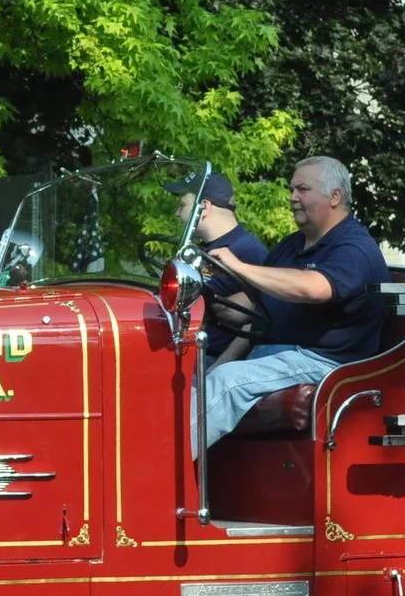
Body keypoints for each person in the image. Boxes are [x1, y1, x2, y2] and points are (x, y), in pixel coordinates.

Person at [194, 156, 391, 453]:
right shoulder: (292, 244)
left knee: (226, 383)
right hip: (275, 353)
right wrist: (202, 305)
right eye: (292, 189)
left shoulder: (355, 247)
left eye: (302, 189)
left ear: (335, 196)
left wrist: (238, 266)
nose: (292, 197)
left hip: (325, 362)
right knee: (193, 377)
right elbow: (250, 309)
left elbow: (313, 288)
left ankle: (156, 479)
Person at [167, 168, 268, 358]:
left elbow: (255, 322)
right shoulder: (195, 251)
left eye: (182, 205)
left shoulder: (249, 252)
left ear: (203, 208)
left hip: (206, 357)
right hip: (182, 350)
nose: (177, 213)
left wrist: (217, 369)